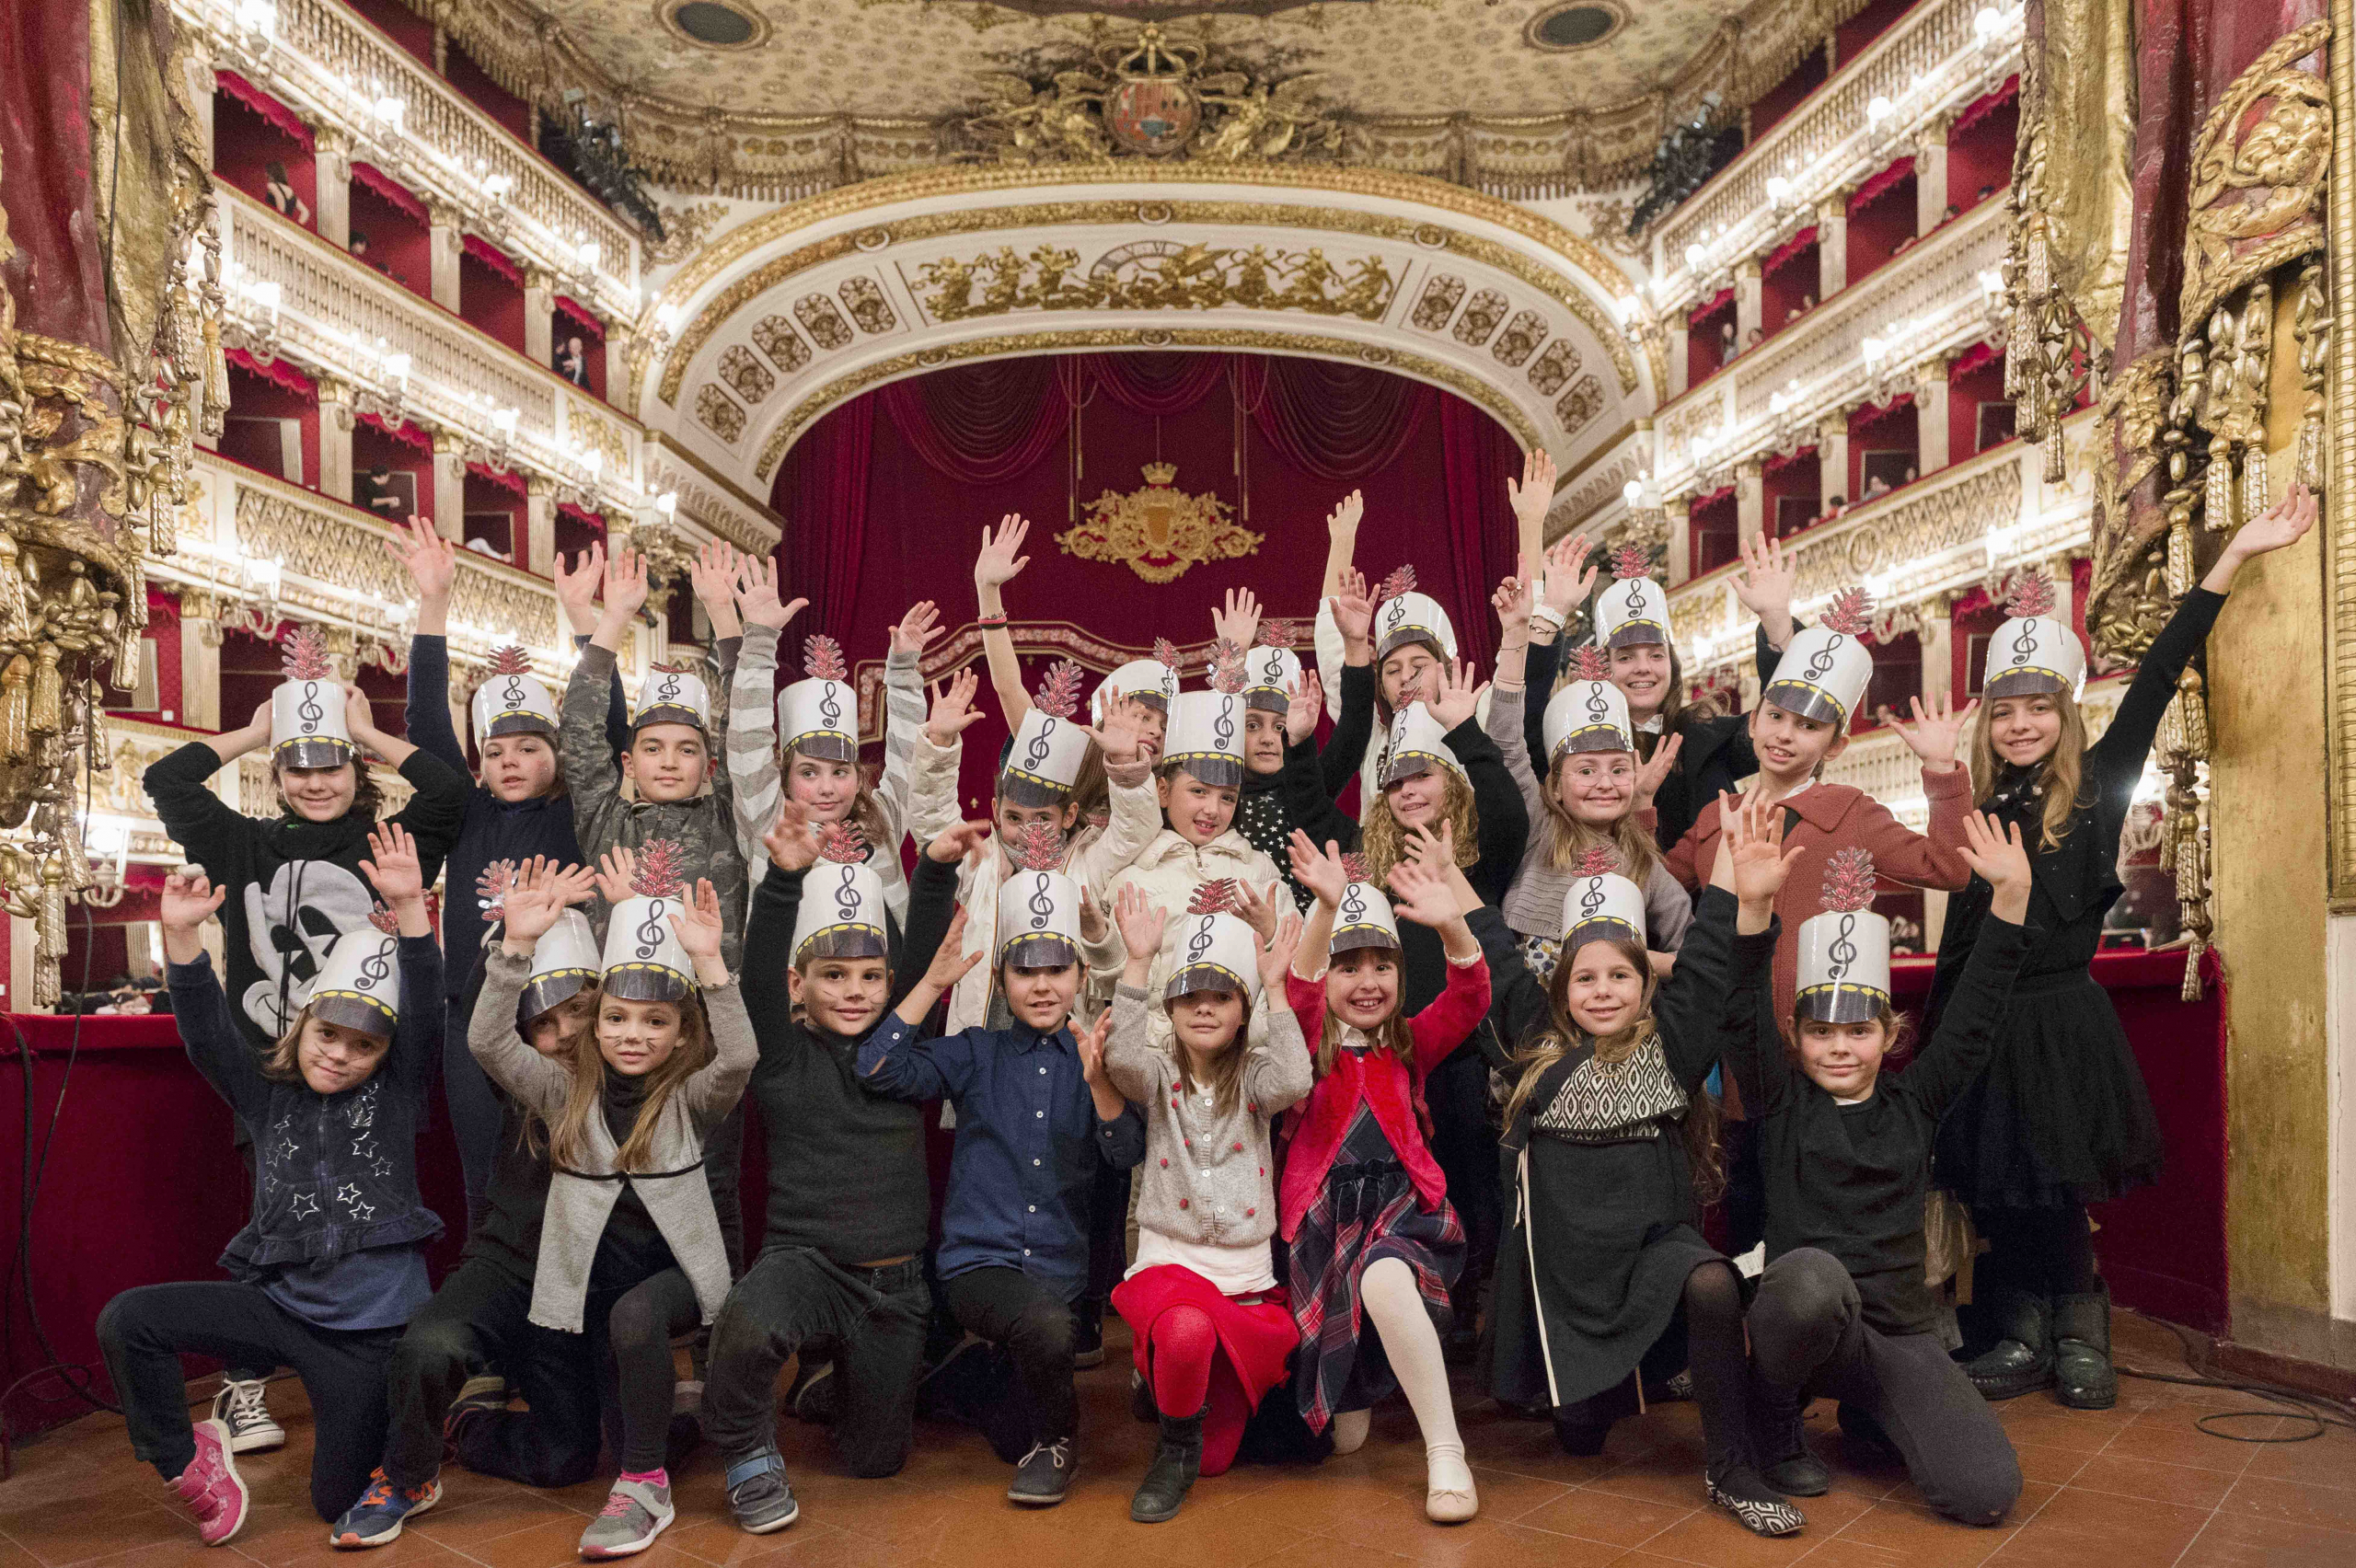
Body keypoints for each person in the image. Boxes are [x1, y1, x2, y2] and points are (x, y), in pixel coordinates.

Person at [1934, 485, 2318, 1409]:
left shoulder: (2102, 782)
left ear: (2063, 714)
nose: (2020, 724)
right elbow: (1957, 938)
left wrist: (2231, 559)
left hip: (2061, 1018)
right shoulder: (1980, 811)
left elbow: (2154, 672)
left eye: (2036, 709)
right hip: (1988, 1019)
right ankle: (2018, 1327)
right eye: (2002, 711)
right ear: (1986, 723)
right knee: (2003, 1182)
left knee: (2057, 1185)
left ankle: (2078, 1320)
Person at [140, 629, 467, 1453]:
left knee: (364, 1213)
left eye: (332, 766)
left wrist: (370, 735)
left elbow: (450, 793)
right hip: (266, 1070)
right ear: (278, 777)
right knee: (271, 1216)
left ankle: (371, 1365)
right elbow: (167, 777)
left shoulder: (386, 844)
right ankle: (246, 1385)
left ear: (355, 774)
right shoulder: (240, 842)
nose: (316, 781)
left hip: (375, 1063)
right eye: (298, 767)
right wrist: (255, 731)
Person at [99, 832, 441, 1546]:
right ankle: (190, 1462)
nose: (340, 1055)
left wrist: (410, 908)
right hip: (282, 1307)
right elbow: (206, 1035)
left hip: (368, 1338)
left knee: (335, 1501)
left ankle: (416, 1461)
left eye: (363, 1045)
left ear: (385, 1052)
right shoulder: (264, 1095)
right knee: (130, 1320)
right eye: (328, 1035)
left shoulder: (400, 1093)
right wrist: (183, 937)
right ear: (303, 1022)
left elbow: (428, 1013)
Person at [1467, 829, 1801, 1537]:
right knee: (1583, 1435)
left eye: (1619, 975)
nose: (1603, 991)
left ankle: (1731, 1468)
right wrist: (1458, 903)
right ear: (1561, 990)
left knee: (1710, 1280)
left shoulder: (1671, 1047)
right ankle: (1599, 1393)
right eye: (1585, 978)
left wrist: (1736, 895)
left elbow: (1713, 966)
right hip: (1569, 1272)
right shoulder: (1537, 1047)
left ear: (1646, 983)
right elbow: (1497, 959)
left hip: (1652, 1249)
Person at [1724, 799, 2032, 1528]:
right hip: (1802, 1317)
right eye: (1821, 1031)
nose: (1839, 1047)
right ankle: (1773, 1416)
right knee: (1809, 1277)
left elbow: (1976, 1018)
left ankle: (1873, 1415)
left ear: (1888, 1034)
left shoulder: (1916, 1101)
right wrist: (1751, 910)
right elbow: (1737, 1012)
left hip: (1895, 1333)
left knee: (1984, 1491)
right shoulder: (1779, 1099)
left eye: (1858, 1031)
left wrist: (2011, 902)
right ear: (1795, 1037)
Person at [1662, 579, 1978, 1256]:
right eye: (1777, 716)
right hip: (1736, 1061)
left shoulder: (1852, 813)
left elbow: (1950, 868)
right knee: (1741, 1211)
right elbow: (1654, 890)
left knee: (1819, 1222)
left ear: (1833, 744)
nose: (1786, 734)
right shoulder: (1716, 817)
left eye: (1809, 726)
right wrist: (1632, 809)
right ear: (1753, 722)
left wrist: (1943, 772)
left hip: (1824, 1062)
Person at [466, 847, 754, 1559]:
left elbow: (740, 1058)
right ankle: (486, 1422)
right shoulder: (566, 1092)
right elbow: (486, 1041)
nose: (633, 1035)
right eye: (618, 1020)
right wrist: (517, 946)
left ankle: (644, 1483)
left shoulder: (689, 1098)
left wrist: (712, 967)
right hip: (583, 1289)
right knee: (568, 1451)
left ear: (682, 1033)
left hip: (673, 1281)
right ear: (596, 1026)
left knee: (635, 1327)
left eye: (655, 1023)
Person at [700, 806, 966, 1533]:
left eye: (871, 976)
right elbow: (755, 977)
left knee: (875, 1460)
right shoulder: (781, 1056)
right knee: (749, 1326)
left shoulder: (900, 1053)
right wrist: (784, 880)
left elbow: (917, 966)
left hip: (897, 1283)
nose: (856, 991)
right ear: (799, 984)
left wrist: (935, 870)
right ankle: (748, 1453)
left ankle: (834, 1379)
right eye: (834, 976)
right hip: (808, 1262)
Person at [857, 856, 1148, 1507]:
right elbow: (877, 1068)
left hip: (1058, 1272)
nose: (1042, 986)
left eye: (1057, 970)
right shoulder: (975, 1051)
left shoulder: (1096, 1055)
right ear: (1001, 978)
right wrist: (931, 981)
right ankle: (1058, 1442)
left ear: (1079, 974)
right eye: (1025, 972)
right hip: (979, 1267)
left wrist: (1099, 1081)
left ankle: (971, 1376)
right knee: (1043, 1332)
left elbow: (1126, 1153)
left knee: (1011, 1417)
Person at [335, 864, 608, 1546]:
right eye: (545, 1023)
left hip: (578, 1287)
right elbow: (485, 1037)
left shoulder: (631, 1071)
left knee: (567, 1458)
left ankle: (473, 1422)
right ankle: (405, 1475)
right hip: (509, 1263)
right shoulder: (528, 1077)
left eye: (580, 1011)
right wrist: (514, 948)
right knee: (429, 1346)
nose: (566, 1033)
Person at [387, 516, 623, 1235]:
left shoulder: (581, 808)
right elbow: (427, 727)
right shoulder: (463, 810)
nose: (511, 762)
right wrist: (434, 604)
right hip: (476, 1020)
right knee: (482, 1182)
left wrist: (583, 619)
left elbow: (603, 727)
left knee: (579, 1172)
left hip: (565, 1023)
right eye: (495, 752)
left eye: (528, 747)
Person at [1279, 835, 1489, 1521]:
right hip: (1326, 1222)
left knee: (1385, 1275)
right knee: (1345, 1438)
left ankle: (1446, 1452)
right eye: (1350, 968)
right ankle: (1360, 1389)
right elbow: (1301, 992)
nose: (1367, 982)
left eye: (1382, 967)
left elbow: (1469, 997)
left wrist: (1452, 921)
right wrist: (1325, 910)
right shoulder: (1306, 1041)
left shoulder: (1409, 1044)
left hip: (1404, 1213)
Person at [1104, 882, 1310, 1522]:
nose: (1203, 1009)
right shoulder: (1160, 1073)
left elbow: (1296, 1077)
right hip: (1173, 1267)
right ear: (1170, 1007)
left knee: (1220, 1461)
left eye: (1220, 997)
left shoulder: (1254, 1075)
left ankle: (1169, 1389)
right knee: (1187, 1332)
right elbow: (1122, 1062)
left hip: (1244, 1278)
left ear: (1242, 1011)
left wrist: (1276, 983)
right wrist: (1137, 965)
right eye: (1189, 997)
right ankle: (1173, 1442)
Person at [1520, 533, 1789, 852]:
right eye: (1626, 657)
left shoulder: (1709, 739)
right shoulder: (1574, 743)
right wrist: (1551, 613)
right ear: (1605, 667)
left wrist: (1777, 623)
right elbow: (1522, 721)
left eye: (1656, 655)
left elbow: (1784, 715)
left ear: (1672, 664)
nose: (1643, 667)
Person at [1487, 570, 1691, 983]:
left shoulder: (1642, 863)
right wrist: (1513, 640)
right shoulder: (1537, 829)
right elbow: (1506, 743)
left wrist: (1653, 965)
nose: (1604, 783)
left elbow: (1691, 945)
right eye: (1585, 770)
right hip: (1528, 1028)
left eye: (1618, 770)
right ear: (1557, 787)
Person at [1096, 642, 1288, 1047]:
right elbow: (1111, 991)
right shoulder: (1131, 879)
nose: (1212, 810)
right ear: (1163, 791)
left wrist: (1271, 934)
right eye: (1198, 791)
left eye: (1227, 797)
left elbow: (1302, 976)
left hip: (1246, 1070)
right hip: (1155, 1069)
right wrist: (1169, 1054)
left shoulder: (1261, 873)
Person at [726, 555, 940, 916]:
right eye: (809, 772)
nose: (827, 788)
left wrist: (903, 671)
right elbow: (748, 740)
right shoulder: (767, 822)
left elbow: (908, 755)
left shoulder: (881, 822)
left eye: (840, 771)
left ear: (858, 779)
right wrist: (760, 640)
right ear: (785, 778)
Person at [262, 160, 310, 226]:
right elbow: (305, 212)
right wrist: (297, 226)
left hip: (277, 224)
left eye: (267, 172)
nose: (265, 174)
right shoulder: (290, 190)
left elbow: (280, 198)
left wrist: (279, 222)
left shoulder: (271, 185)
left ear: (271, 173)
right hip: (286, 227)